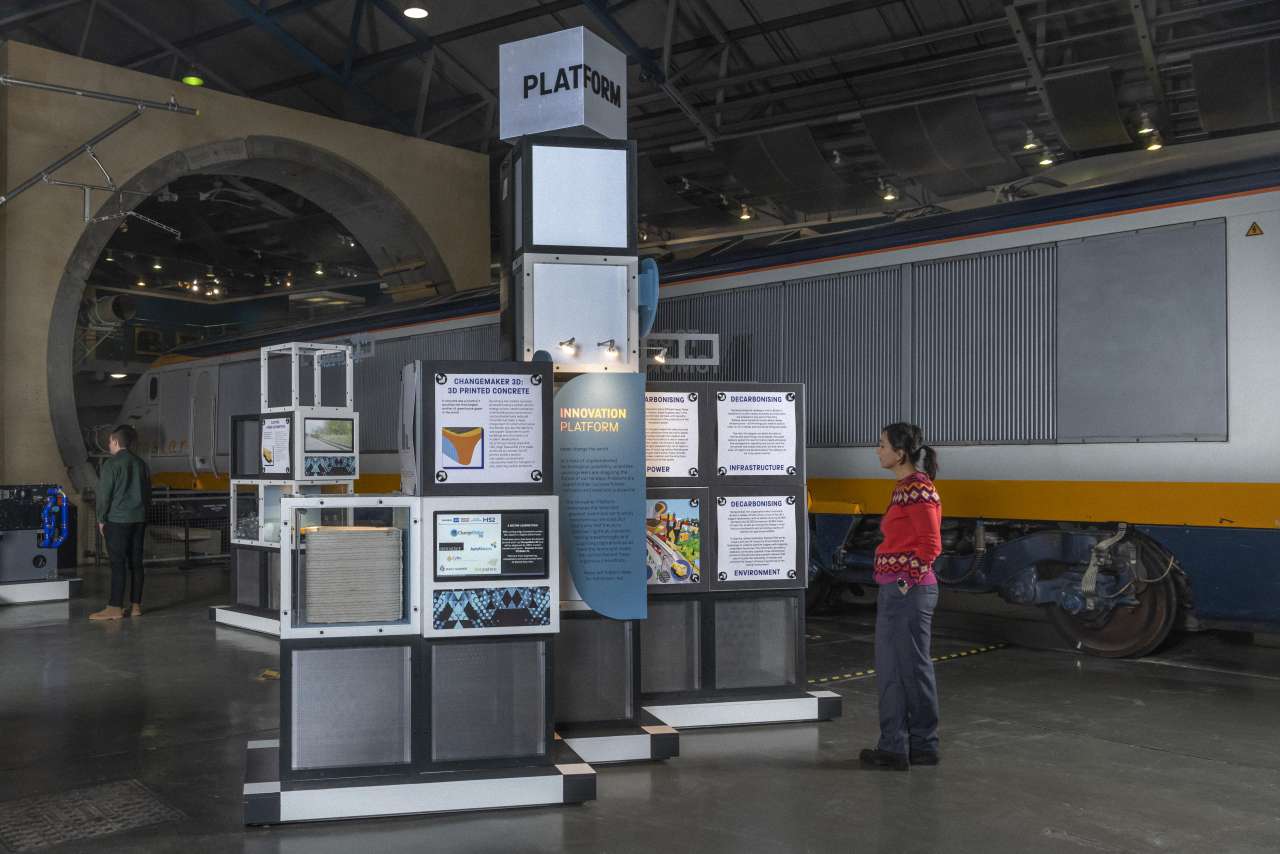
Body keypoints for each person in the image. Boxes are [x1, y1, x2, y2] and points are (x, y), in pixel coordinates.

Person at [860, 422, 942, 771]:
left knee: (894, 668)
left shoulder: (916, 491)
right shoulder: (908, 488)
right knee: (914, 667)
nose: (877, 450)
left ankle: (895, 747)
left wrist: (904, 583)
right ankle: (923, 745)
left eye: (881, 445)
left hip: (906, 591)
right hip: (906, 589)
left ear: (900, 453)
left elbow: (930, 545)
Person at [89, 424, 152, 621]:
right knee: (136, 563)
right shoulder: (141, 463)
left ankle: (114, 607)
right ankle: (135, 607)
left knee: (118, 564)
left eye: (109, 441)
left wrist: (101, 519)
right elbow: (148, 493)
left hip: (117, 521)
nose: (108, 445)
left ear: (116, 441)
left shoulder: (111, 464)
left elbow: (104, 496)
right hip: (139, 519)